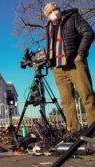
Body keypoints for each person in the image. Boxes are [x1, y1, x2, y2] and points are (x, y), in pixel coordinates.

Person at [43, 2, 95, 140]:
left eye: (55, 9)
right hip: (58, 68)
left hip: (75, 63)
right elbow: (51, 46)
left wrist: (81, 53)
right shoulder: (48, 27)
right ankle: (73, 131)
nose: (54, 12)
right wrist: (51, 63)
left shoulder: (73, 17)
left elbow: (88, 32)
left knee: (87, 96)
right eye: (50, 12)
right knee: (67, 101)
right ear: (47, 16)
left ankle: (93, 131)